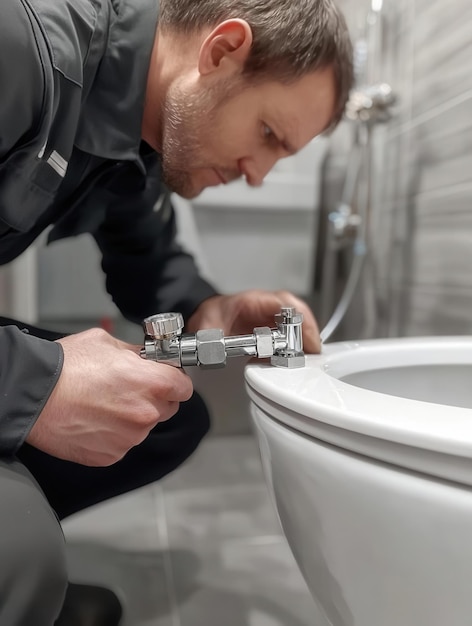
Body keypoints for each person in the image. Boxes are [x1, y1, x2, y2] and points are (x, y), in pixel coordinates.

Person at [0, 0, 353, 623]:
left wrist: (212, 308)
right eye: (268, 134)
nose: (257, 175)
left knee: (168, 415)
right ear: (221, 52)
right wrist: (32, 382)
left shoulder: (134, 142)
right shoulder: (23, 54)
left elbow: (149, 261)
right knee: (22, 551)